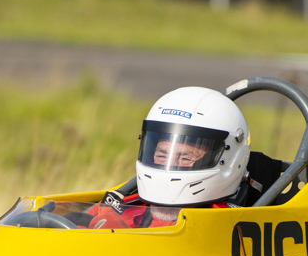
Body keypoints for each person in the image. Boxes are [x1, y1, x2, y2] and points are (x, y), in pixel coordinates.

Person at [84, 86, 280, 230]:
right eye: (162, 154)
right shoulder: (125, 206)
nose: (170, 166)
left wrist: (117, 238)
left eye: (185, 157)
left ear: (227, 160)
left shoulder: (227, 225)